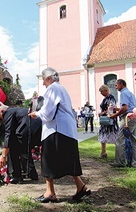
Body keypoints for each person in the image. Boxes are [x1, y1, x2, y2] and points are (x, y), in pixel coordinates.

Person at [29, 67, 90, 203]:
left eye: (44, 81)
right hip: (66, 129)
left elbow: (48, 113)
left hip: (56, 129)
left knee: (47, 159)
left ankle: (50, 192)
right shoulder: (62, 89)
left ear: (49, 78)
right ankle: (81, 186)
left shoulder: (52, 89)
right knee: (69, 159)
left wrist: (36, 114)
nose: (44, 84)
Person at [0, 102, 41, 184]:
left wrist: (3, 155)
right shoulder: (16, 111)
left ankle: (17, 176)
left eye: (0, 117)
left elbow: (8, 134)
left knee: (12, 148)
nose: (2, 119)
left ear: (2, 111)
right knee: (24, 149)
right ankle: (31, 173)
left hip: (28, 129)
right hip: (37, 128)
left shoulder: (8, 112)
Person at [109, 79, 136, 168]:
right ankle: (134, 163)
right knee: (133, 140)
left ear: (121, 84)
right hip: (133, 116)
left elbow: (125, 108)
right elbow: (129, 107)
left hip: (127, 118)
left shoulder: (123, 93)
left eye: (116, 85)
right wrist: (118, 109)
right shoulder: (130, 93)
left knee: (120, 139)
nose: (115, 87)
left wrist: (115, 114)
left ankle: (120, 161)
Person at [97, 84, 118, 159]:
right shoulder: (105, 98)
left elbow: (111, 108)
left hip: (110, 118)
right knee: (103, 135)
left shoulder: (111, 98)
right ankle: (103, 152)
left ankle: (120, 153)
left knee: (114, 135)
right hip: (104, 120)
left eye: (102, 92)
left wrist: (103, 112)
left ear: (106, 90)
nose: (101, 93)